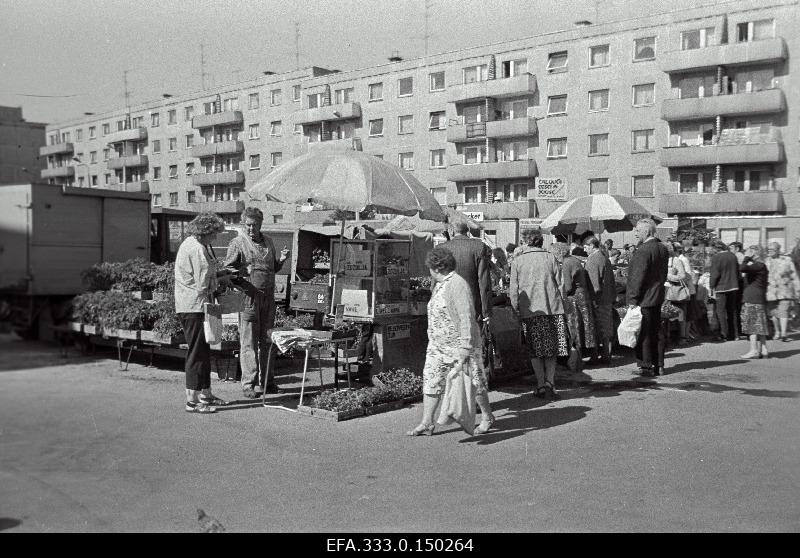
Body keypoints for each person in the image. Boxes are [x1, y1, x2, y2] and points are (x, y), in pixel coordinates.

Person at [406, 246, 495, 436]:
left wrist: (465, 346)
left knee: (474, 382)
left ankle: (487, 416)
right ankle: (427, 422)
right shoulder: (439, 284)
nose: (428, 271)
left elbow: (466, 317)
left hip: (460, 345)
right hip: (437, 346)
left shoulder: (457, 284)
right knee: (431, 379)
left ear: (437, 267)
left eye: (430, 267)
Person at [224, 207, 290, 398]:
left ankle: (268, 382)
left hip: (268, 298)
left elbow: (272, 268)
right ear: (244, 224)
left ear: (261, 224)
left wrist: (282, 261)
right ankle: (248, 384)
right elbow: (227, 271)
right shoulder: (237, 243)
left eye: (254, 225)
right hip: (248, 298)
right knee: (249, 342)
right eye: (248, 225)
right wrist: (242, 274)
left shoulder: (269, 241)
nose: (251, 229)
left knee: (268, 341)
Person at [174, 212, 235, 413]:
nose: (215, 237)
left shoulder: (192, 244)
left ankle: (206, 394)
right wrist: (221, 281)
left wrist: (219, 274)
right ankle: (192, 400)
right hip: (194, 305)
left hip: (193, 304)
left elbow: (202, 276)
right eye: (214, 233)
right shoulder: (197, 248)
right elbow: (202, 284)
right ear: (206, 231)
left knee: (202, 350)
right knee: (197, 352)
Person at [509, 230, 569, 399]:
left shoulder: (518, 261)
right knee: (552, 348)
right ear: (541, 241)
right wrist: (564, 305)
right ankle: (550, 382)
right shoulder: (551, 258)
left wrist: (515, 310)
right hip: (552, 308)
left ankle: (541, 384)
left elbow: (513, 290)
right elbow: (561, 285)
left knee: (534, 350)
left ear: (526, 242)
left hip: (530, 311)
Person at [626, 218, 668, 377]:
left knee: (643, 332)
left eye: (637, 230)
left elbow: (637, 277)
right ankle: (659, 365)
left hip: (644, 298)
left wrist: (632, 299)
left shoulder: (643, 250)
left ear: (645, 231)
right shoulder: (662, 248)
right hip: (657, 296)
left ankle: (646, 365)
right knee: (656, 331)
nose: (635, 232)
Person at [552, 242, 596, 368]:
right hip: (583, 295)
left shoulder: (566, 263)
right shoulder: (574, 260)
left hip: (574, 298)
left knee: (574, 328)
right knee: (585, 326)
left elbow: (567, 286)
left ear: (558, 253)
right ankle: (588, 355)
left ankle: (576, 359)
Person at [584, 236, 615, 363]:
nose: (585, 250)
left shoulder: (593, 259)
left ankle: (595, 356)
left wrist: (592, 300)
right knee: (606, 327)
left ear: (592, 246)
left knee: (596, 327)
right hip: (607, 297)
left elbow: (594, 284)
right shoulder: (604, 257)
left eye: (586, 247)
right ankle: (607, 354)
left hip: (597, 299)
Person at [765, 242, 800, 342]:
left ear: (778, 250)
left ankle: (784, 333)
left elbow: (794, 276)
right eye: (769, 250)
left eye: (772, 250)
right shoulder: (766, 261)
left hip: (785, 290)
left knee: (783, 311)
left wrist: (798, 290)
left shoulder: (787, 260)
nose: (770, 252)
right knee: (773, 313)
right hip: (771, 291)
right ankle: (777, 331)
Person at [739, 245, 770, 359]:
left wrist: (746, 257)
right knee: (760, 324)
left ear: (754, 253)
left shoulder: (758, 265)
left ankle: (754, 350)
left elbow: (742, 268)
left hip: (752, 298)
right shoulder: (762, 266)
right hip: (759, 298)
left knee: (752, 325)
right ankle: (764, 349)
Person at [709, 240, 740, 342]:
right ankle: (735, 334)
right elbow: (737, 271)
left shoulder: (716, 258)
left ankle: (724, 334)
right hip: (734, 286)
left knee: (720, 311)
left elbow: (714, 274)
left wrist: (711, 286)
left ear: (716, 248)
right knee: (732, 311)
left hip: (721, 288)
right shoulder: (733, 256)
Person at [664, 242, 690, 344]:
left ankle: (682, 337)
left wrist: (669, 277)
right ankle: (668, 337)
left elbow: (683, 276)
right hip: (664, 290)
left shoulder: (676, 261)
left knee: (679, 314)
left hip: (675, 290)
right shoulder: (661, 261)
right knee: (666, 314)